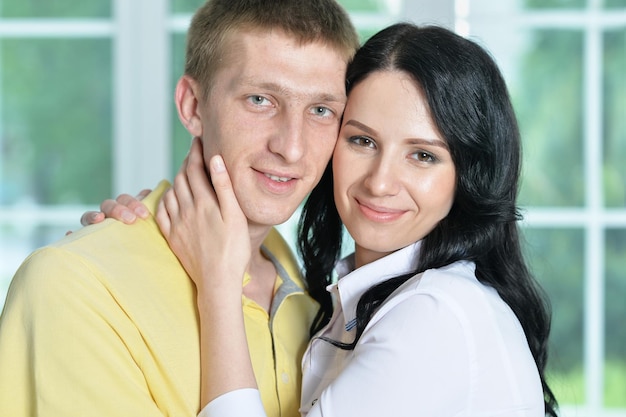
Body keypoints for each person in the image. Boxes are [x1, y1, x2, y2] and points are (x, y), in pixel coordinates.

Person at [149, 23, 560, 416]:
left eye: (422, 156)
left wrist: (218, 287)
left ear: (469, 175)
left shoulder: (436, 314)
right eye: (362, 141)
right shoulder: (351, 302)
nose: (380, 183)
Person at [0, 1, 359, 416]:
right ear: (192, 106)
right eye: (260, 99)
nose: (291, 147)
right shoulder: (74, 287)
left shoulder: (317, 298)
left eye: (321, 110)